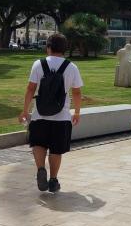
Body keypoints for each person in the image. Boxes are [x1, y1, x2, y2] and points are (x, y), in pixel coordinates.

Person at [18, 34, 83, 193]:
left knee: (38, 144)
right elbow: (76, 92)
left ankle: (41, 169)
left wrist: (25, 111)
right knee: (56, 150)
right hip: (62, 116)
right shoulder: (71, 67)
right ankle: (53, 180)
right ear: (64, 49)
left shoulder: (38, 64)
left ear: (48, 47)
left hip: (40, 114)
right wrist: (77, 112)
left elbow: (31, 89)